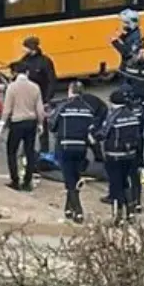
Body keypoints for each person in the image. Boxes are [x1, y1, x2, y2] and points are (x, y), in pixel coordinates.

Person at [49, 81, 98, 223]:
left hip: (65, 146)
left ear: (70, 91)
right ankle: (68, 208)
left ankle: (78, 210)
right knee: (74, 178)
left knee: (69, 179)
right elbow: (92, 128)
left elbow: (52, 125)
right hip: (81, 147)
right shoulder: (88, 109)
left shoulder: (63, 106)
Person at [97, 90, 144, 223]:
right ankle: (130, 213)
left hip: (114, 155)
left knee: (116, 184)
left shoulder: (113, 116)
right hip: (130, 155)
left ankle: (117, 216)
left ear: (112, 102)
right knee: (126, 183)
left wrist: (92, 135)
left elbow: (103, 133)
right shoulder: (132, 115)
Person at [0, 63, 45, 191]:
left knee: (12, 151)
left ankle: (15, 180)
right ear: (27, 73)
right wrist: (41, 124)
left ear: (14, 73)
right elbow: (40, 109)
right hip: (31, 122)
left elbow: (7, 108)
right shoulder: (35, 87)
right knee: (29, 151)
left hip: (17, 122)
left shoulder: (12, 88)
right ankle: (27, 181)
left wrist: (2, 124)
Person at [12, 36, 56, 152]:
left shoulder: (45, 62)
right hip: (27, 98)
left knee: (42, 126)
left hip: (41, 98)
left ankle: (44, 151)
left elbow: (51, 80)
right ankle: (27, 149)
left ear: (32, 48)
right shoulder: (24, 60)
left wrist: (47, 99)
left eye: (25, 47)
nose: (23, 50)